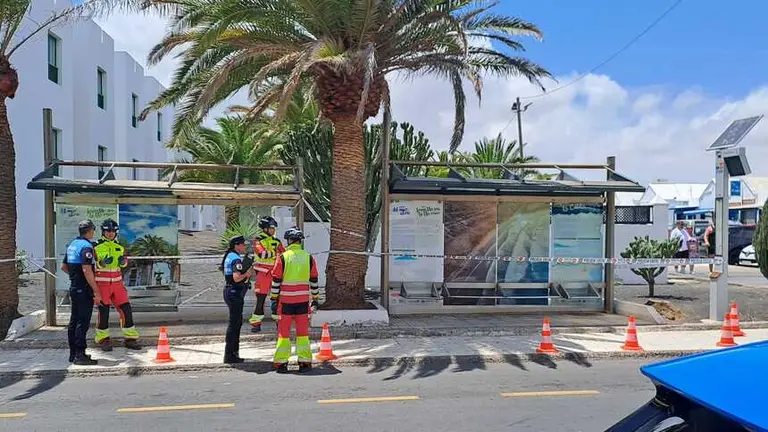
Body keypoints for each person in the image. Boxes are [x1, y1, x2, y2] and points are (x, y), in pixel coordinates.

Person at [270, 227, 320, 373]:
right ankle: (304, 362)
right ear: (300, 241)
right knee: (303, 334)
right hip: (303, 302)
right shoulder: (308, 257)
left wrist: (273, 300)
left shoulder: (283, 257)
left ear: (289, 241)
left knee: (283, 334)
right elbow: (314, 280)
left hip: (285, 302)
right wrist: (315, 299)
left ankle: (281, 363)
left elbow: (276, 281)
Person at [92, 219, 140, 352]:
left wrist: (123, 261)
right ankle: (103, 339)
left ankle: (130, 338)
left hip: (118, 284)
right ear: (103, 231)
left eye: (113, 231)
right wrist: (101, 262)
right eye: (108, 231)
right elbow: (93, 264)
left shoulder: (120, 246)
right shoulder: (95, 246)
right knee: (104, 312)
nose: (110, 233)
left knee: (126, 310)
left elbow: (123, 263)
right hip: (102, 284)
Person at [61, 220, 102, 366]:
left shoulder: (73, 244)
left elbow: (64, 267)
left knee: (74, 321)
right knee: (82, 322)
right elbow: (87, 270)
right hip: (84, 290)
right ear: (90, 230)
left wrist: (75, 278)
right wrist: (96, 290)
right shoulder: (86, 246)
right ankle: (80, 354)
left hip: (74, 288)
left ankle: (73, 354)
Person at [220, 235, 254, 364]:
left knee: (235, 323)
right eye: (243, 245)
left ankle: (233, 353)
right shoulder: (235, 259)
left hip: (231, 291)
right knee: (234, 324)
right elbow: (236, 278)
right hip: (235, 292)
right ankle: (230, 355)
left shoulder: (229, 256)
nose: (245, 247)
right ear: (236, 245)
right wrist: (247, 274)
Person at [248, 216, 285, 333]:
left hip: (275, 274)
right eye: (271, 228)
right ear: (265, 228)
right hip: (263, 275)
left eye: (274, 228)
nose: (273, 230)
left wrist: (278, 254)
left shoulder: (277, 241)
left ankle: (279, 322)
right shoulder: (257, 240)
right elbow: (262, 254)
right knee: (261, 300)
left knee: (277, 299)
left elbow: (284, 254)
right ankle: (256, 323)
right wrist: (275, 253)